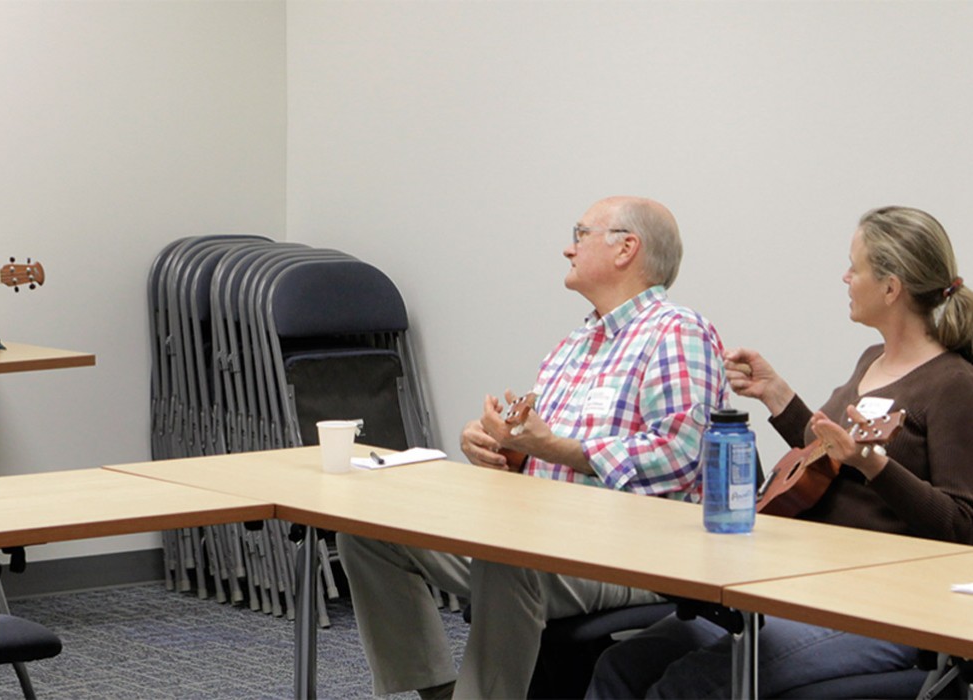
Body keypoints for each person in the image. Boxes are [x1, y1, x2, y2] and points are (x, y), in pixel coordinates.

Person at [336, 196, 727, 699]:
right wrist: (497, 446)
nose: (568, 249)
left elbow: (680, 455)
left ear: (626, 248)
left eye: (581, 234)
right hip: (548, 538)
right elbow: (539, 448)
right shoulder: (573, 345)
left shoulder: (677, 332)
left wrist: (557, 448)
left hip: (636, 555)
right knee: (368, 530)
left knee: (508, 556)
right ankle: (439, 691)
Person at [587, 205, 973, 699]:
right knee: (623, 664)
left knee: (689, 686)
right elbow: (823, 460)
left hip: (883, 610)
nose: (846, 277)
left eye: (854, 268)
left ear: (891, 288)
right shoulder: (872, 361)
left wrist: (877, 466)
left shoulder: (954, 385)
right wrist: (777, 395)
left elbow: (963, 527)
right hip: (808, 584)